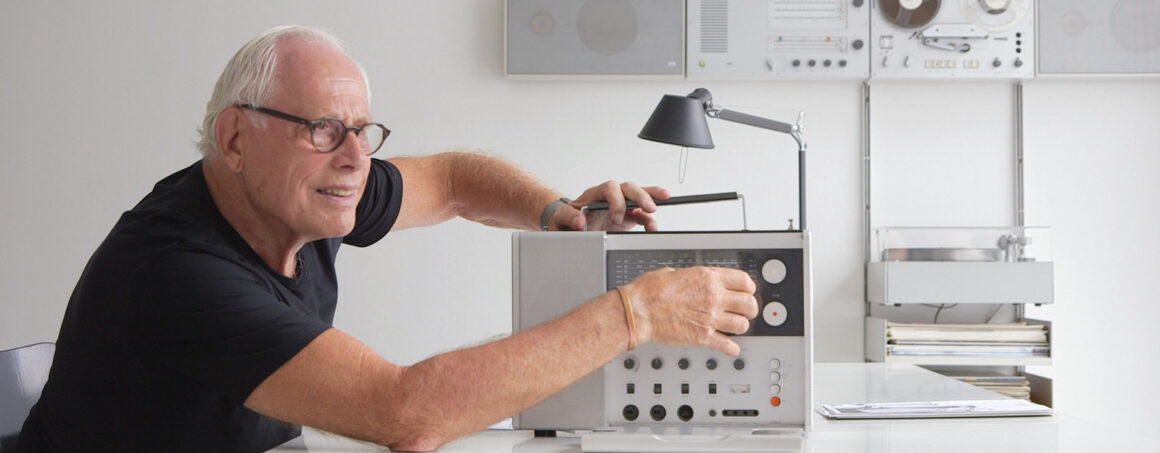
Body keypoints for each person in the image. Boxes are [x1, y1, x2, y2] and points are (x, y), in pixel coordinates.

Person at [17, 25, 758, 452]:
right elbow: (405, 411)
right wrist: (638, 314)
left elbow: (457, 179)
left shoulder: (304, 191)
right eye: (323, 129)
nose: (354, 158)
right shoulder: (177, 271)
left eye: (362, 131)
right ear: (236, 136)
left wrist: (555, 210)